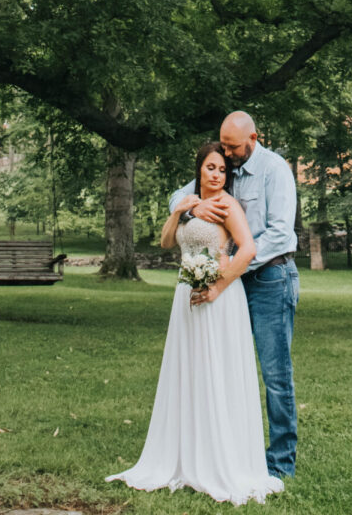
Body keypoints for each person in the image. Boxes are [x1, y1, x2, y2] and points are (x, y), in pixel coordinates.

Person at [106, 141, 283, 506]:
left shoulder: (226, 205)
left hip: (219, 300)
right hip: (185, 298)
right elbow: (167, 241)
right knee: (189, 372)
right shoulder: (189, 204)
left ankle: (219, 458)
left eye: (222, 170)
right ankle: (184, 457)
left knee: (217, 370)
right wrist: (181, 210)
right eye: (210, 168)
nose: (216, 175)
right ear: (199, 170)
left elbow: (247, 248)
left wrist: (218, 286)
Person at [170, 112, 299, 482]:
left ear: (253, 138)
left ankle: (280, 463)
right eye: (223, 146)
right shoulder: (226, 165)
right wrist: (193, 207)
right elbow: (178, 195)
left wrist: (230, 267)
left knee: (275, 373)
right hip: (236, 284)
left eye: (232, 147)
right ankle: (232, 452)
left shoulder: (275, 170)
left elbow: (278, 233)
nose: (226, 154)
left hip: (271, 275)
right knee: (231, 367)